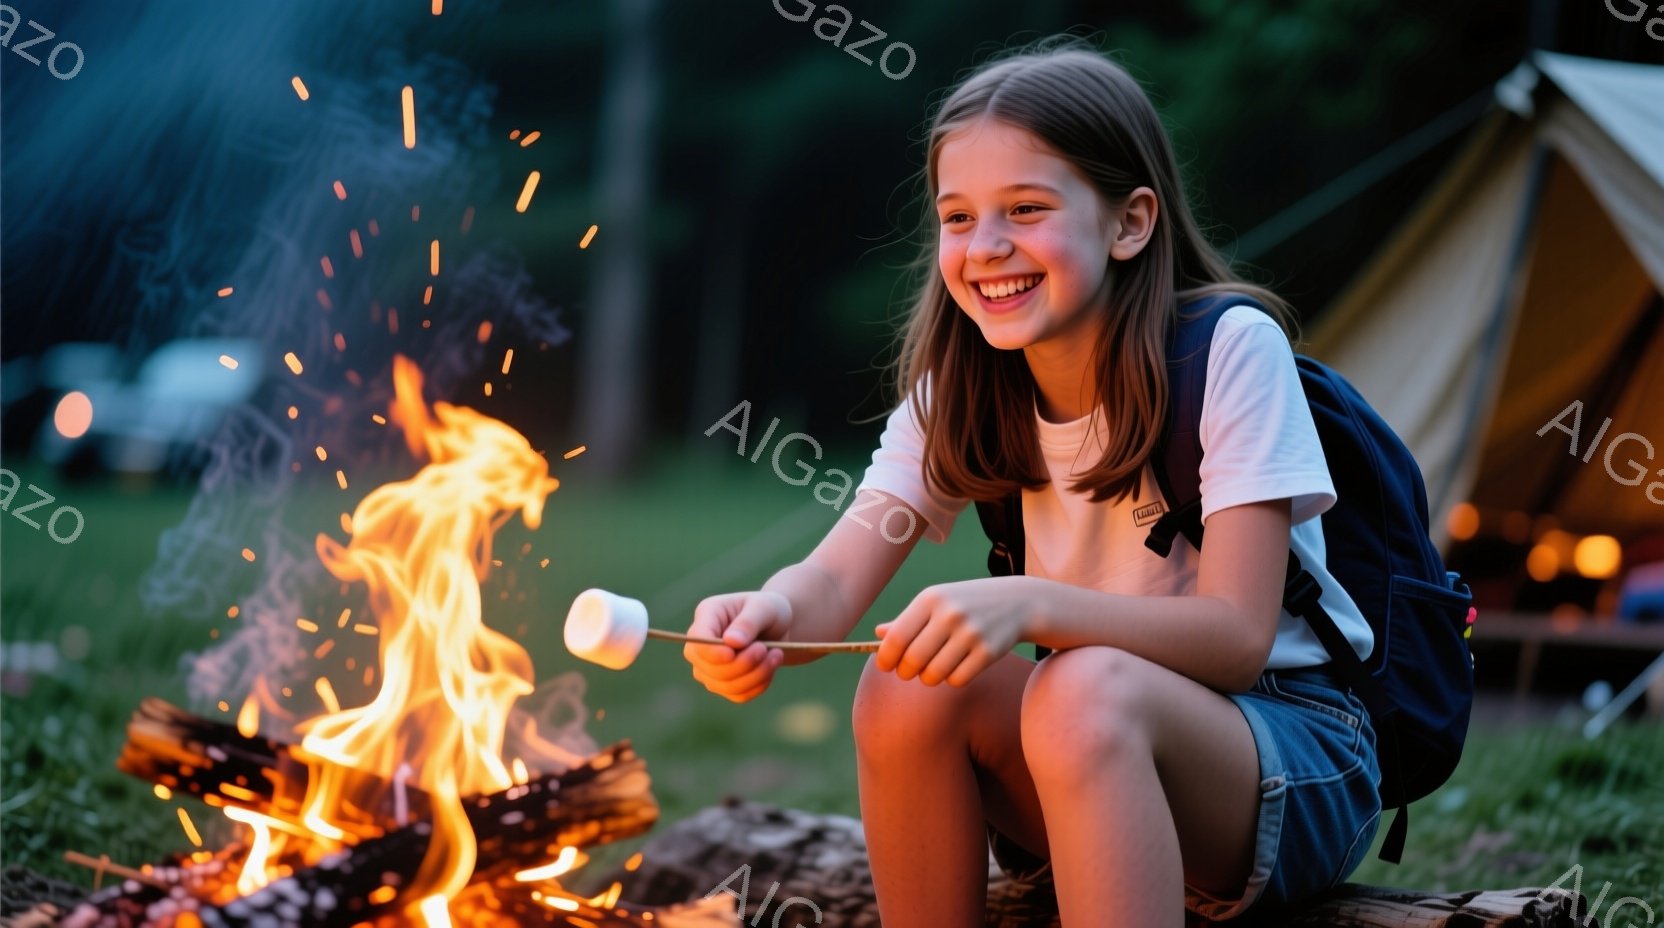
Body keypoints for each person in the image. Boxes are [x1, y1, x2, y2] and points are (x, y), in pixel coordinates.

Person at [682, 38, 1382, 927]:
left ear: (1131, 222)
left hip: (1290, 752)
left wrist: (1029, 603)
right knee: (906, 685)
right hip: (1084, 746)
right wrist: (768, 617)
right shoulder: (959, 390)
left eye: (1026, 207)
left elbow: (1239, 637)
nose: (988, 247)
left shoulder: (1229, 350)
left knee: (1081, 686)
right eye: (959, 217)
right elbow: (829, 582)